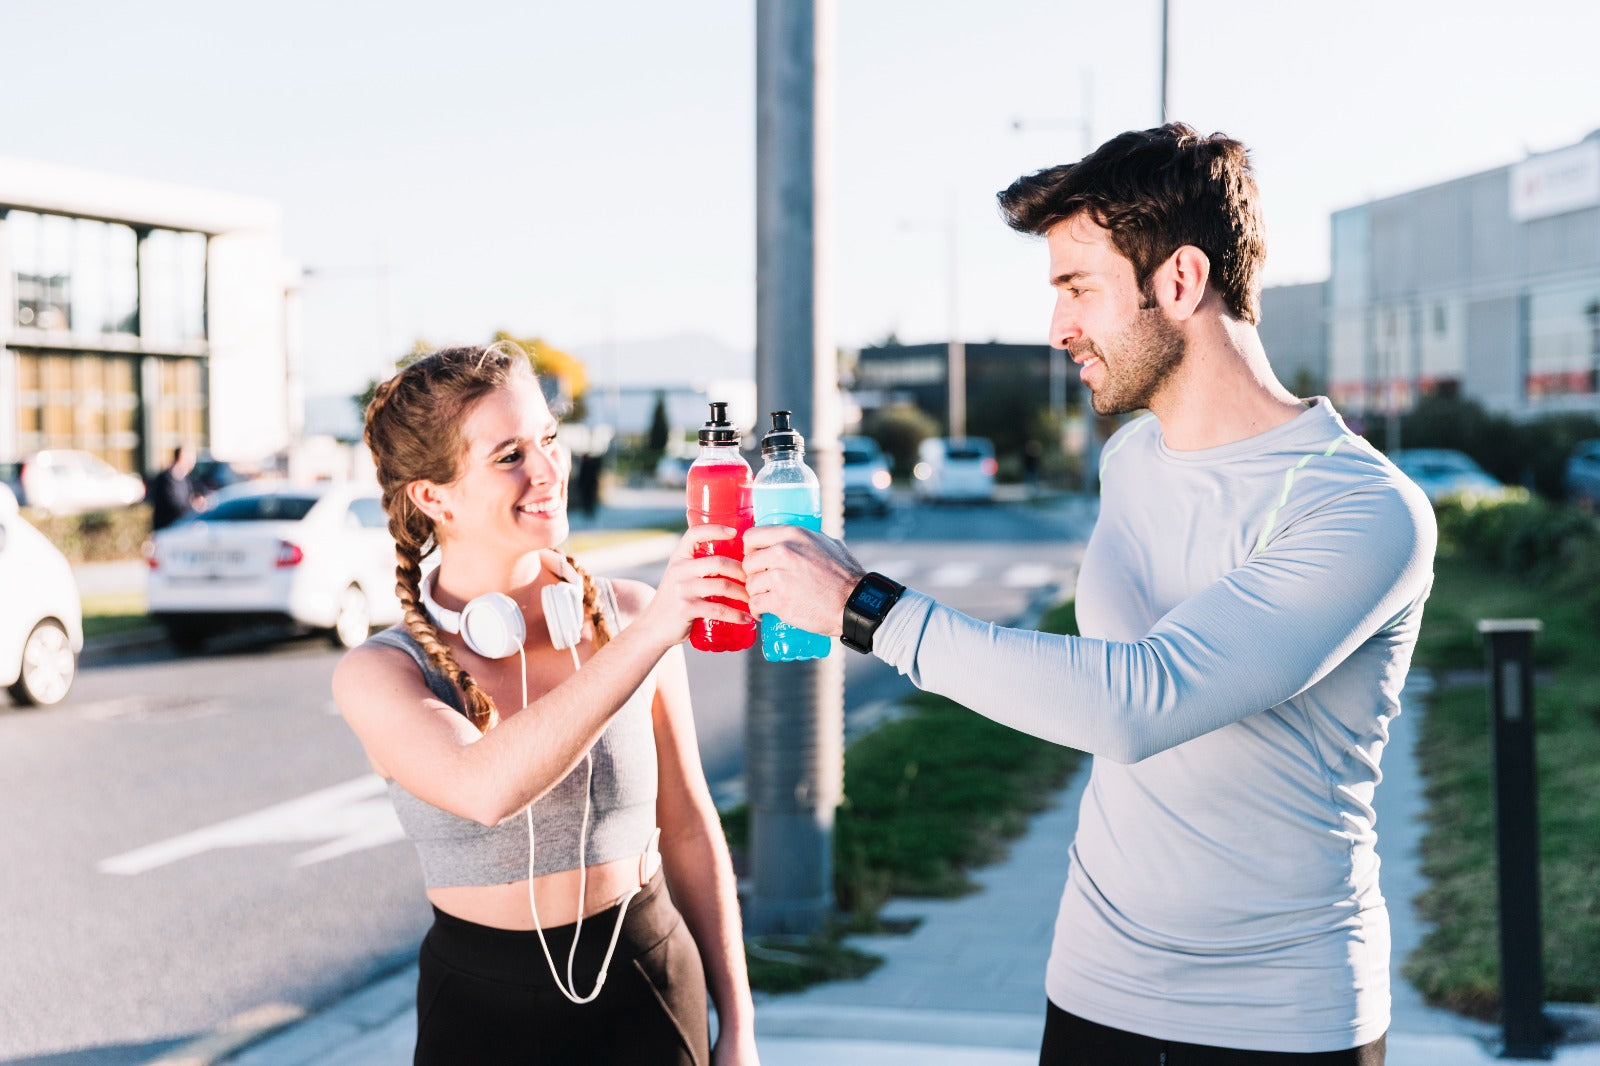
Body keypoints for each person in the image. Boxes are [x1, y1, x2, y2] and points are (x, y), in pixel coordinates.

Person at [743, 124, 1434, 1065]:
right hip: (1095, 982)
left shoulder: (1362, 509)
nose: (1059, 329)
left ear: (1180, 282)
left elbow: (1142, 701)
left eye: (1078, 289)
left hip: (1279, 1015)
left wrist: (868, 608)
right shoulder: (1131, 458)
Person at [333, 344, 760, 1065]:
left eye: (549, 441)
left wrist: (740, 1027)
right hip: (477, 1014)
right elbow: (484, 787)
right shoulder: (381, 671)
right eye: (509, 456)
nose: (548, 471)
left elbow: (688, 825)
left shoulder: (626, 613)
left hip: (649, 982)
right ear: (433, 497)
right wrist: (651, 637)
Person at [147, 445, 197, 530]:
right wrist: (192, 507)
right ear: (181, 457)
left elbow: (190, 497)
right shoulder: (166, 479)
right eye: (191, 457)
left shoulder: (184, 479)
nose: (194, 461)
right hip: (167, 529)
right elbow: (173, 505)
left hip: (181, 527)